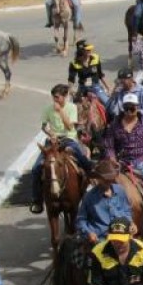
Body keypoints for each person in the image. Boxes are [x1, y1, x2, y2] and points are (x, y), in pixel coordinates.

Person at [102, 93, 143, 242]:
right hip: (121, 165)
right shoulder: (114, 125)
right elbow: (108, 144)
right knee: (99, 189)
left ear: (137, 108)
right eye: (126, 108)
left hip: (142, 164)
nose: (129, 111)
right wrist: (112, 158)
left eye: (132, 108)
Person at [29, 84, 94, 214]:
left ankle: (90, 186)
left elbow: (70, 127)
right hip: (52, 141)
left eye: (58, 97)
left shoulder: (72, 108)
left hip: (68, 139)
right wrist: (50, 134)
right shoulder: (47, 109)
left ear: (65, 96)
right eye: (54, 97)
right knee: (36, 168)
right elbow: (44, 126)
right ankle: (37, 199)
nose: (55, 100)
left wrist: (61, 111)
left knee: (83, 161)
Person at [76, 160, 133, 242]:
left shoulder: (120, 190)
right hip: (100, 238)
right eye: (105, 179)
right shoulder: (89, 196)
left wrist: (130, 223)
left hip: (121, 233)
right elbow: (81, 220)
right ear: (98, 178)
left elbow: (127, 210)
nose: (108, 181)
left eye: (110, 179)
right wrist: (89, 233)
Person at [68, 40, 110, 105]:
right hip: (82, 87)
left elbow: (100, 74)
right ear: (82, 52)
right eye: (88, 50)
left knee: (107, 103)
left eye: (90, 49)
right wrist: (70, 89)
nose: (90, 51)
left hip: (95, 86)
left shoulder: (95, 58)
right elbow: (71, 79)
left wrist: (107, 87)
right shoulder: (74, 64)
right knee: (74, 104)